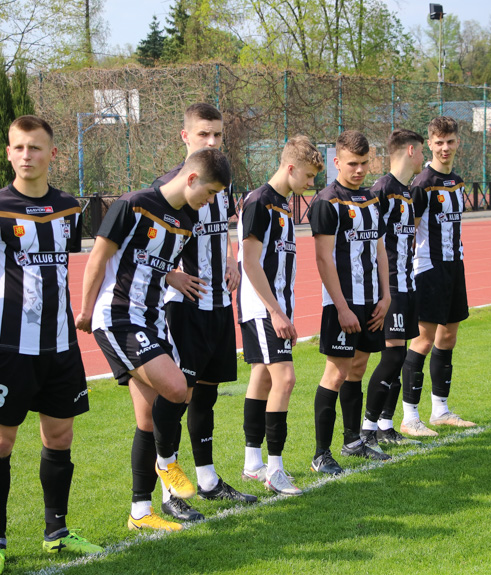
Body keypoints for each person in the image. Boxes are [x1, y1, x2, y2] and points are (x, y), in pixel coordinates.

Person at [0, 116, 103, 575]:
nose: (26, 155)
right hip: (8, 350)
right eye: (18, 147)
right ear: (8, 153)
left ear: (52, 154)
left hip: (60, 349)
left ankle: (56, 531)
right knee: (0, 442)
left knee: (59, 437)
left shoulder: (68, 208)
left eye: (35, 148)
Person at [76, 148, 231, 533]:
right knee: (179, 389)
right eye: (209, 193)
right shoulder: (134, 204)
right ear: (192, 179)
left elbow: (149, 264)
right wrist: (83, 309)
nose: (210, 202)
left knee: (147, 420)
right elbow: (99, 258)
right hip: (119, 318)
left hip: (152, 319)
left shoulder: (188, 218)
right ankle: (166, 464)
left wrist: (172, 277)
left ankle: (141, 512)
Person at [118, 103, 252, 524]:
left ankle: (208, 480)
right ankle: (170, 490)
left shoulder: (221, 184)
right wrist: (173, 274)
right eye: (203, 135)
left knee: (207, 394)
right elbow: (136, 249)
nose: (211, 142)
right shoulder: (169, 188)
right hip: (184, 308)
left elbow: (223, 227)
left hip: (219, 302)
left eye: (217, 135)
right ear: (185, 137)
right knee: (178, 396)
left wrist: (231, 258)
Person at [238, 136, 324, 495]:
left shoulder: (284, 205)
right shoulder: (259, 202)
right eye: (308, 176)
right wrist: (275, 312)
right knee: (285, 379)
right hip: (262, 309)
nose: (311, 184)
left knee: (263, 377)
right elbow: (250, 262)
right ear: (290, 168)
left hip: (275, 308)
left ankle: (252, 463)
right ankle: (275, 468)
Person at [309, 130, 392, 476]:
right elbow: (323, 259)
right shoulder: (327, 201)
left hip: (372, 299)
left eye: (364, 163)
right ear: (337, 161)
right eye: (352, 164)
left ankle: (353, 441)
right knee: (337, 372)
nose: (359, 170)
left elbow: (379, 249)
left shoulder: (372, 200)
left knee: (358, 367)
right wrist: (341, 307)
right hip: (341, 302)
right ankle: (320, 454)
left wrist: (386, 295)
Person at [400, 116, 476, 438]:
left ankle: (441, 410)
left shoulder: (457, 181)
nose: (445, 148)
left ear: (458, 142)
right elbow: (409, 232)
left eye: (450, 142)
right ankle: (410, 417)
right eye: (439, 142)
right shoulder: (422, 183)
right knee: (423, 340)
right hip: (428, 269)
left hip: (453, 267)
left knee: (448, 337)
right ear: (429, 144)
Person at [361, 129, 426, 448]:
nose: (424, 159)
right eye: (423, 152)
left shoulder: (407, 191)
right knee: (392, 355)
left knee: (398, 356)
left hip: (406, 282)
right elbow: (370, 240)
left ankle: (385, 426)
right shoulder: (383, 189)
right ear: (411, 150)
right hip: (389, 287)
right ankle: (368, 427)